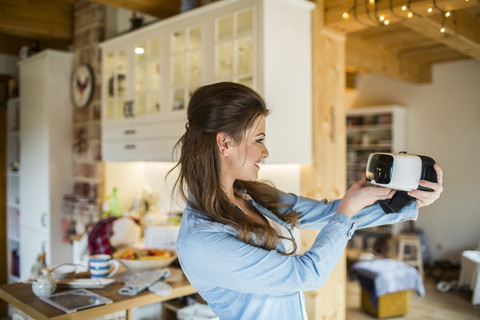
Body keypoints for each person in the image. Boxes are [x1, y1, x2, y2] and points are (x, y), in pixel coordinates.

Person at [170, 82, 443, 320]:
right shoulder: (201, 240)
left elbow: (328, 214)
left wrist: (410, 201)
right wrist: (346, 210)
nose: (265, 151)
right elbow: (305, 274)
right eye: (259, 139)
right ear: (224, 144)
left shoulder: (250, 194)